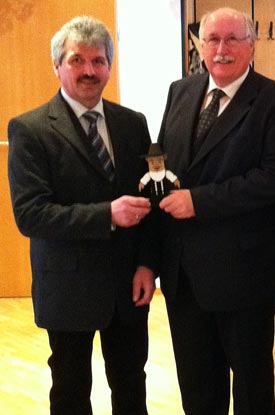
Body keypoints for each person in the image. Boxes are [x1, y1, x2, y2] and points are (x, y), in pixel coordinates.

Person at [155, 7, 275, 415]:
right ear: (200, 46)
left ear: (251, 45)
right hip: (183, 276)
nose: (221, 49)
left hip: (244, 275)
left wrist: (198, 202)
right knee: (197, 391)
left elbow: (273, 180)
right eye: (212, 39)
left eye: (232, 39)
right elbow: (165, 162)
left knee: (252, 391)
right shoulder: (179, 91)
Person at [7, 16, 157, 415]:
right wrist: (108, 214)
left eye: (98, 60)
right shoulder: (30, 130)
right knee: (71, 392)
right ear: (57, 65)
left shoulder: (133, 124)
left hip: (128, 287)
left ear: (109, 66)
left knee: (131, 386)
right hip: (67, 288)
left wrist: (147, 264)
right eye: (77, 60)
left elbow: (150, 203)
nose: (89, 70)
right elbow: (31, 214)